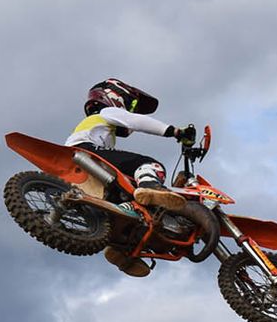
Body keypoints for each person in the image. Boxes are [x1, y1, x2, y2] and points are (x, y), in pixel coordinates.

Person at [65, 78, 197, 278]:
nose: (131, 109)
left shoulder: (96, 125)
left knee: (123, 195)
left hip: (81, 162)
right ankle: (150, 186)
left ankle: (120, 250)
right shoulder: (106, 112)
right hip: (87, 152)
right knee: (150, 165)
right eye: (131, 104)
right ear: (115, 96)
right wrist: (176, 132)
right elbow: (137, 121)